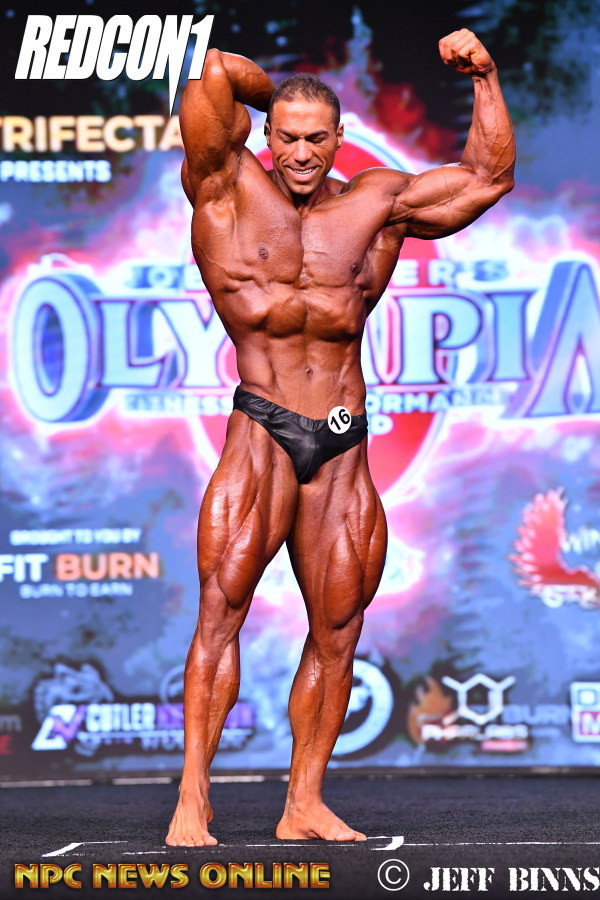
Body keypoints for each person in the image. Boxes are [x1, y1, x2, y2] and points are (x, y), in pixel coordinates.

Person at [166, 29, 515, 846]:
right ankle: (192, 796)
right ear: (265, 133)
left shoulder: (376, 204)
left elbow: (487, 177)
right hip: (262, 427)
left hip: (343, 440)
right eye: (286, 136)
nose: (299, 153)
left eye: (315, 139)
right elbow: (210, 72)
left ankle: (304, 803)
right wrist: (270, 95)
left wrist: (486, 75)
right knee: (222, 611)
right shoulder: (221, 186)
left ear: (339, 139)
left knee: (338, 628)